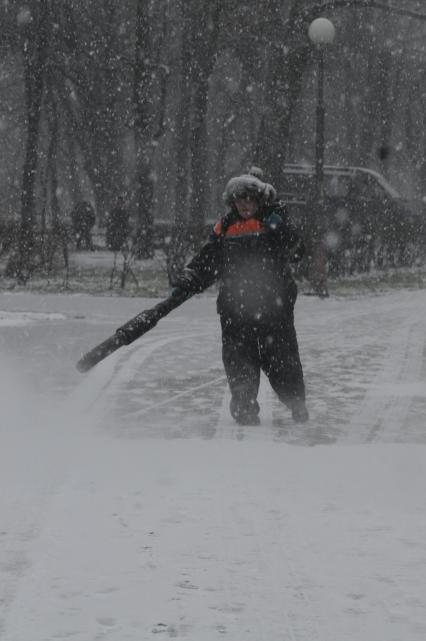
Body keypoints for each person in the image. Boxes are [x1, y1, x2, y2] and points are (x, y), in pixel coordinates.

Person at [171, 172, 309, 426]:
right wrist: (191, 276)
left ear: (259, 200)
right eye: (239, 199)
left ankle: (295, 401)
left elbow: (298, 251)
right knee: (239, 359)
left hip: (273, 307)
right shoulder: (225, 228)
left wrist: (279, 226)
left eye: (249, 199)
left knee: (281, 358)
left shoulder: (273, 222)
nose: (244, 204)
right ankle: (244, 407)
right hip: (235, 308)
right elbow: (209, 258)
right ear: (232, 202)